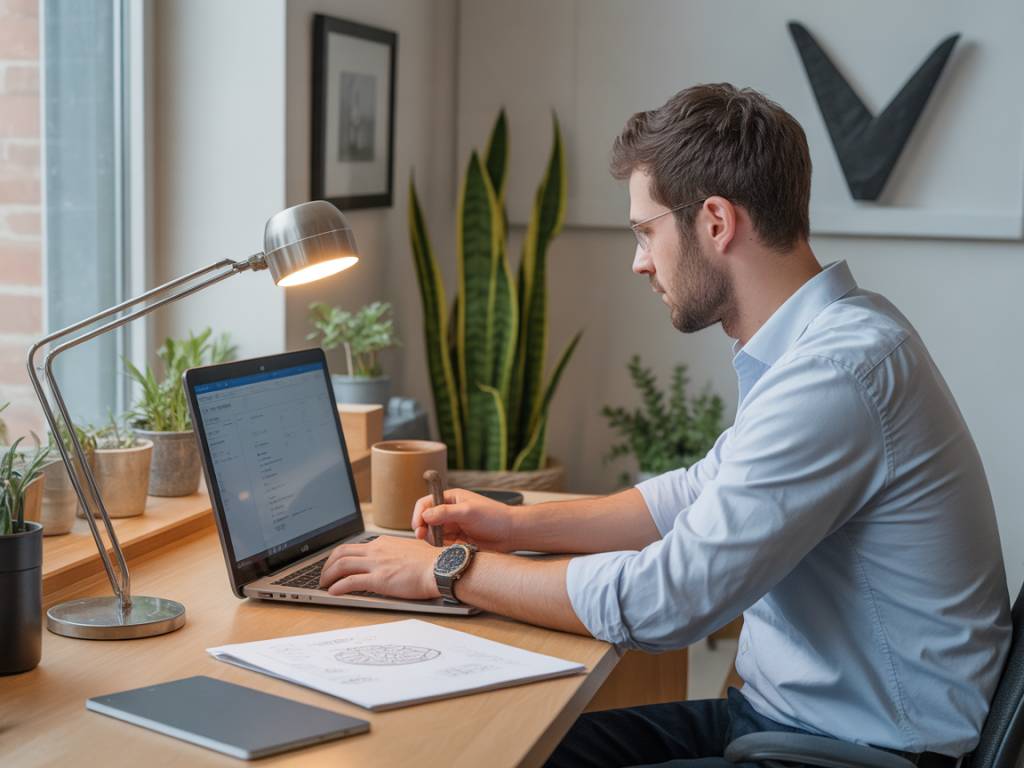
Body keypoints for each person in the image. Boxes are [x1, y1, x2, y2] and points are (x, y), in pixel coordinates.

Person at [319, 83, 1011, 767]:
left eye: (646, 231)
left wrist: (448, 570)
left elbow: (667, 601)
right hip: (788, 720)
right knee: (509, 750)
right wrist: (516, 526)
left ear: (714, 221)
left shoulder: (835, 373)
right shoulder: (823, 343)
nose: (639, 260)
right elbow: (697, 492)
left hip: (850, 753)